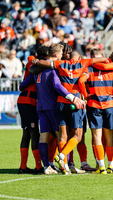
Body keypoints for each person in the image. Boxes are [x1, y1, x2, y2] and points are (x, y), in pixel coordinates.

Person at [20, 44, 86, 175]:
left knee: (44, 136)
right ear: (56, 55)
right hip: (52, 106)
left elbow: (22, 85)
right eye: (61, 54)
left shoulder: (37, 70)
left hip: (40, 106)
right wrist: (72, 97)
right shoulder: (53, 68)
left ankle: (47, 166)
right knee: (61, 135)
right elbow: (57, 86)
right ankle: (65, 165)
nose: (62, 56)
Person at [79, 48, 113, 174]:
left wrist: (85, 94)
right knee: (109, 137)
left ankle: (101, 167)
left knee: (96, 137)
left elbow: (81, 81)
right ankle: (110, 165)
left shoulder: (88, 69)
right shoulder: (111, 68)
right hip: (109, 104)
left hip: (94, 104)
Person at [16, 46, 49, 174]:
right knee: (34, 133)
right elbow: (24, 83)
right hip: (29, 101)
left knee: (27, 134)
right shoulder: (35, 64)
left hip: (26, 101)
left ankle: (23, 167)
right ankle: (38, 166)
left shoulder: (32, 61)